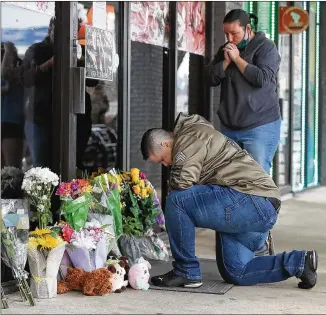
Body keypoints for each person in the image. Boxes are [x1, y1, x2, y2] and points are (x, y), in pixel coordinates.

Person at [141, 113, 318, 289]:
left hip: (250, 199)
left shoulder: (189, 137)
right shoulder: (195, 135)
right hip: (259, 208)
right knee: (236, 272)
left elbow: (182, 182)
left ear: (166, 143)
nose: (165, 165)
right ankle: (299, 263)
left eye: (163, 159)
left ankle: (185, 271)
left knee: (176, 200)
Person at [205, 9, 281, 174]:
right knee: (231, 179)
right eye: (226, 34)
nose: (230, 39)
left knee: (257, 178)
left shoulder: (266, 47)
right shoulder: (226, 49)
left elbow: (262, 78)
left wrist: (237, 59)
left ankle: (266, 201)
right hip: (230, 126)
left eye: (234, 33)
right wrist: (225, 62)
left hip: (260, 125)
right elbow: (209, 79)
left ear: (247, 29)